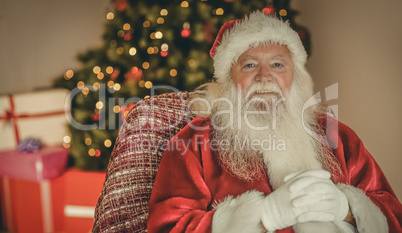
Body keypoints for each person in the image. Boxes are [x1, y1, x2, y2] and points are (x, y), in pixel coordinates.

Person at [147, 11, 402, 233]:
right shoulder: (194, 143)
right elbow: (168, 226)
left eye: (278, 64)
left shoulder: (337, 135)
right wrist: (264, 216)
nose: (264, 77)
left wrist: (346, 208)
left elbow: (394, 215)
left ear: (294, 76)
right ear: (228, 79)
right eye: (249, 65)